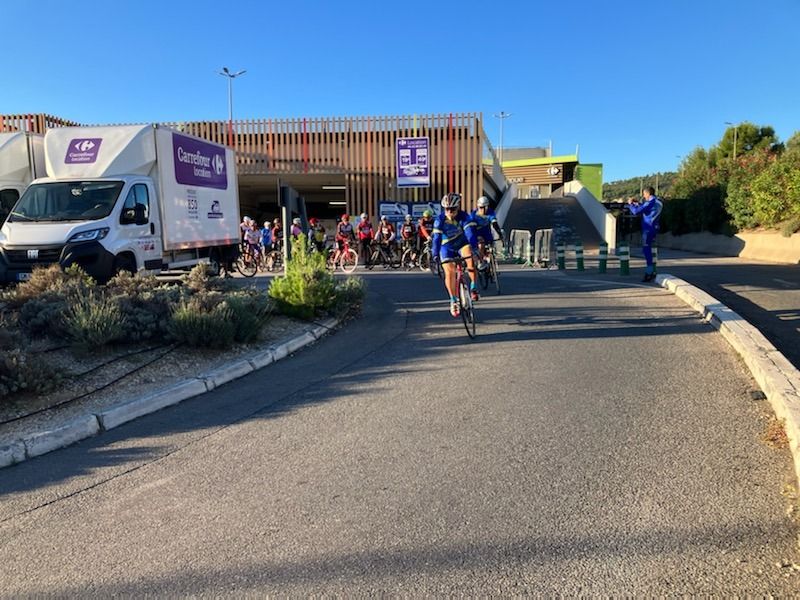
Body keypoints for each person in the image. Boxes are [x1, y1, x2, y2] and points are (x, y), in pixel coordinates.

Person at [432, 192, 480, 317]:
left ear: (457, 207)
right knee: (449, 272)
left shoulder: (464, 217)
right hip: (446, 246)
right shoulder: (439, 220)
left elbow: (470, 234)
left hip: (462, 243)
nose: (449, 212)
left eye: (452, 209)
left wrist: (475, 248)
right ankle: (453, 300)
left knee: (470, 257)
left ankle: (473, 287)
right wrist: (435, 255)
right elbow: (436, 239)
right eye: (447, 209)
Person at [627, 186, 663, 282]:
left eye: (644, 194)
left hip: (648, 228)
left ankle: (649, 272)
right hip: (655, 227)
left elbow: (636, 211)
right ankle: (652, 270)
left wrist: (631, 204)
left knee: (646, 250)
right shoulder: (659, 202)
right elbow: (647, 209)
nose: (644, 196)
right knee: (649, 249)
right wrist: (637, 203)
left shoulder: (650, 202)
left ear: (647, 193)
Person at [470, 196, 503, 270]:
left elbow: (494, 224)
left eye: (485, 207)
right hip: (478, 234)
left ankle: (491, 261)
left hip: (487, 234)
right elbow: (471, 229)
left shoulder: (490, 212)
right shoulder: (473, 215)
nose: (483, 210)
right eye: (481, 208)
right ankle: (481, 261)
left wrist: (500, 234)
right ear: (478, 207)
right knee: (481, 245)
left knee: (491, 247)